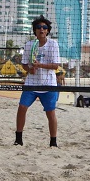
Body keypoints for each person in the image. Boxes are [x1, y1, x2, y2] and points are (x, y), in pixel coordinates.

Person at [14, 15, 60, 147]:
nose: (42, 29)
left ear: (47, 31)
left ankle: (53, 142)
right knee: (22, 108)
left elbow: (55, 65)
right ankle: (18, 139)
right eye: (39, 27)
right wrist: (29, 69)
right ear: (35, 30)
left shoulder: (53, 44)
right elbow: (24, 64)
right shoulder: (29, 45)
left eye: (44, 27)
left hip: (48, 84)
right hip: (32, 83)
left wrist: (39, 65)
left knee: (50, 113)